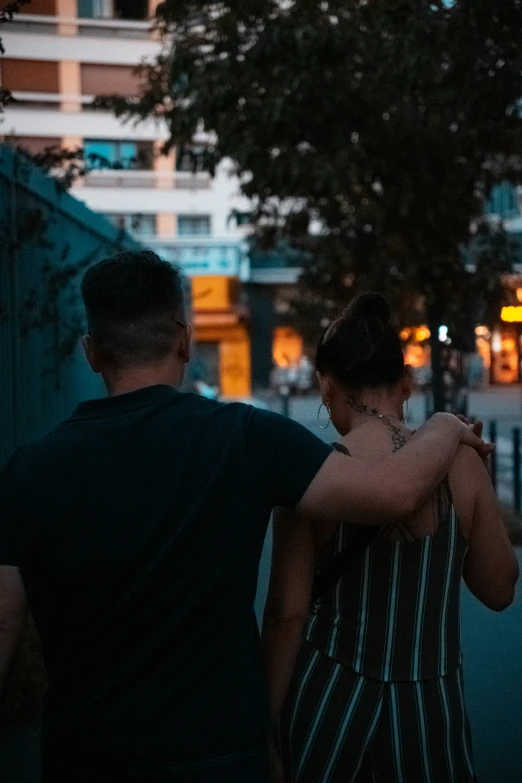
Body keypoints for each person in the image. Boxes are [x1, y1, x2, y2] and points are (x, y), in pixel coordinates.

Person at [0, 253, 491, 783]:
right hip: (222, 756)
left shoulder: (28, 472)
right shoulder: (247, 438)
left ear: (92, 353)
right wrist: (444, 425)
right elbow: (394, 493)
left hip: (85, 758)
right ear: (185, 341)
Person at [262, 293, 519, 783]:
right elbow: (499, 588)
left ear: (326, 385)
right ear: (406, 381)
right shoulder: (461, 461)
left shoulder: (312, 476)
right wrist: (477, 494)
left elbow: (285, 618)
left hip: (328, 707)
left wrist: (267, 728)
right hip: (428, 717)